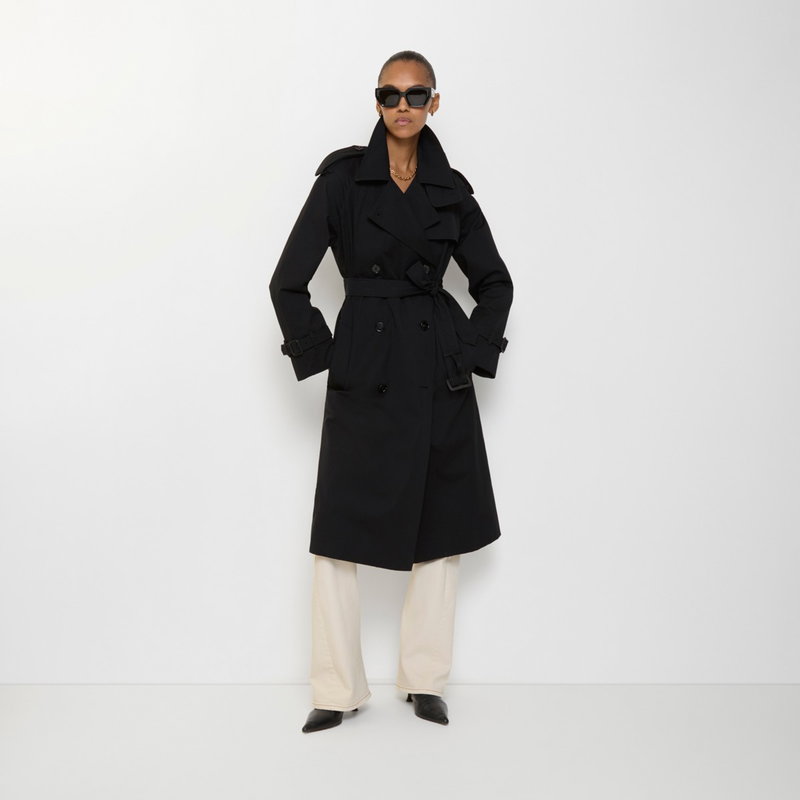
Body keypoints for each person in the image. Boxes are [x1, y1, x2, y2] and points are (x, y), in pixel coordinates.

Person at [269, 50, 513, 733]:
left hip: (436, 367)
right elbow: (287, 281)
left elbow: (495, 282)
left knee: (441, 525)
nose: (402, 106)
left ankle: (424, 679)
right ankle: (336, 687)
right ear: (376, 102)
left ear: (435, 102)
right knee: (339, 526)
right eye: (389, 94)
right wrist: (328, 354)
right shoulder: (343, 181)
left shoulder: (451, 191)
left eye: (415, 94)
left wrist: (468, 351)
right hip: (366, 363)